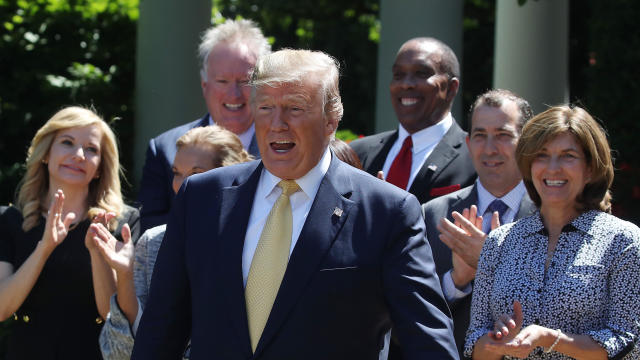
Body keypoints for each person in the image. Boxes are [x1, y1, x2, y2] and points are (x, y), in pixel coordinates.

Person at [131, 49, 458, 360]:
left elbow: (427, 341)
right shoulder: (202, 197)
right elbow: (160, 330)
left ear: (331, 119)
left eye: (295, 108)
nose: (277, 123)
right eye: (265, 107)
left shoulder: (387, 212)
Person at [465, 105, 640, 359]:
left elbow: (627, 343)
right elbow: (473, 346)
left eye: (568, 155)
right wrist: (498, 340)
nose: (552, 168)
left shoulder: (623, 241)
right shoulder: (499, 242)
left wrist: (550, 339)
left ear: (590, 168)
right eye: (542, 155)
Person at [90, 125, 253, 360]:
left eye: (196, 173)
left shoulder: (256, 238)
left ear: (230, 175)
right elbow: (118, 353)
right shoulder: (153, 241)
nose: (183, 185)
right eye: (177, 172)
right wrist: (124, 275)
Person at [0, 106, 139, 359]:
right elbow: (1, 308)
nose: (79, 155)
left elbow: (115, 317)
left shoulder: (124, 222)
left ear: (99, 167)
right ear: (45, 154)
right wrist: (44, 248)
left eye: (91, 149)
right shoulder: (10, 220)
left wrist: (98, 254)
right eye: (67, 142)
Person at [422, 89, 536, 357]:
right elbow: (412, 314)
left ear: (528, 141)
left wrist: (490, 262)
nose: (490, 149)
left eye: (503, 136)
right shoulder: (432, 215)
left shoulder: (552, 215)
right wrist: (456, 281)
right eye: (480, 136)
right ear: (468, 143)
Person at [137, 18, 271, 232]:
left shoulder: (283, 146)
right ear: (204, 85)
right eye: (222, 81)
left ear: (263, 86)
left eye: (245, 81)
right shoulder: (164, 149)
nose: (234, 94)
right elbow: (150, 227)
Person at [350, 37, 475, 204]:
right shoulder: (357, 154)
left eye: (421, 73)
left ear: (451, 88)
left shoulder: (476, 157)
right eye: (398, 75)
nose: (406, 84)